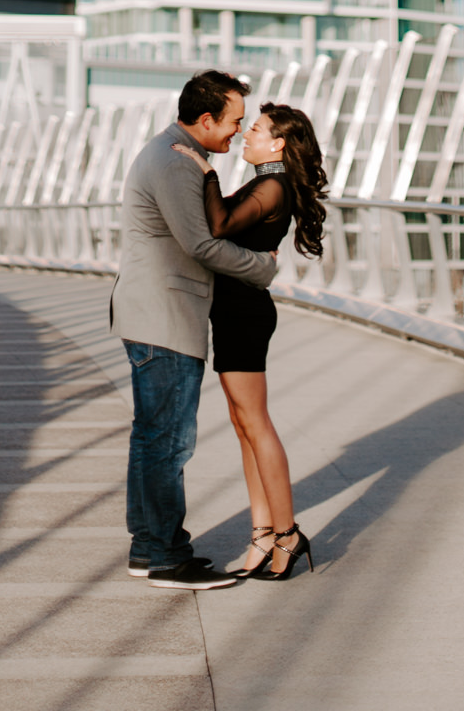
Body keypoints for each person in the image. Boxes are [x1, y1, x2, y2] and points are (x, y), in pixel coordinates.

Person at [111, 69, 279, 592]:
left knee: (152, 438)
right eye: (233, 122)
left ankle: (150, 548)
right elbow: (201, 245)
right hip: (165, 316)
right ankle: (164, 556)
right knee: (168, 442)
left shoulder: (180, 155)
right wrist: (264, 268)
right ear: (204, 120)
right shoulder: (175, 162)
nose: (237, 131)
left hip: (158, 313)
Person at [174, 100, 327, 581]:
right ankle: (263, 532)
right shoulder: (267, 182)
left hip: (244, 314)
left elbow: (218, 225)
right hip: (234, 310)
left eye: (256, 129)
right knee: (243, 426)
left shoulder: (272, 185)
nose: (247, 134)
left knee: (256, 424)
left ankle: (286, 533)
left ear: (278, 143)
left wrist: (206, 170)